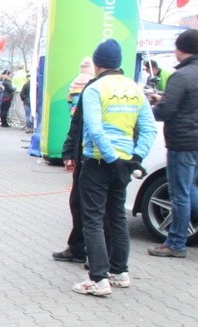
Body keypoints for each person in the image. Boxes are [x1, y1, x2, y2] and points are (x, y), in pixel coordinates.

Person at [73, 39, 156, 297]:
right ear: (119, 64)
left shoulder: (95, 89)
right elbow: (149, 128)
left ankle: (98, 279)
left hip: (99, 162)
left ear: (97, 64)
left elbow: (95, 129)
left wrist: (110, 158)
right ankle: (119, 272)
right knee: (117, 216)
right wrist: (134, 158)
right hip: (124, 162)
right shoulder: (135, 89)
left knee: (93, 220)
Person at [146, 29, 198, 259]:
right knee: (190, 189)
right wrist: (164, 97)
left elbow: (166, 111)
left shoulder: (181, 76)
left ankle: (176, 242)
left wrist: (149, 109)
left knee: (179, 194)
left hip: (182, 142)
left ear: (182, 49)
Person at [52, 60, 98, 266]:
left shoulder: (94, 89)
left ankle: (97, 258)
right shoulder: (89, 88)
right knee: (80, 204)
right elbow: (77, 122)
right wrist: (69, 151)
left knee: (91, 210)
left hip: (94, 157)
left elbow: (82, 124)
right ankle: (79, 248)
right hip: (87, 155)